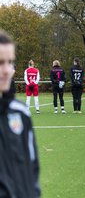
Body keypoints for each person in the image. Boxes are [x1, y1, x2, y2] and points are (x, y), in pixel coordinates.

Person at [0, 30, 41, 198]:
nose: (7, 70)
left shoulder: (21, 113)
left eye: (10, 62)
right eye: (0, 62)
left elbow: (32, 168)